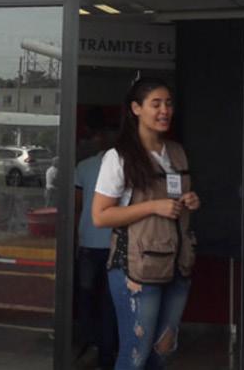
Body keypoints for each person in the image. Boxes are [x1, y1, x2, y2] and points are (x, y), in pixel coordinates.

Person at [92, 78, 200, 370]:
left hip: (177, 264)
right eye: (156, 104)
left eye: (168, 104)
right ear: (136, 109)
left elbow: (176, 199)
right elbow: (100, 216)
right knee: (136, 353)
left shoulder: (176, 152)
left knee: (164, 349)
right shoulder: (119, 157)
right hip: (137, 268)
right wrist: (153, 206)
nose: (165, 110)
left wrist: (190, 200)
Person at [75, 146, 117, 369]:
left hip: (88, 243)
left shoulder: (84, 166)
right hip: (115, 245)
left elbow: (76, 205)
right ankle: (106, 355)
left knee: (86, 298)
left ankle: (88, 344)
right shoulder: (124, 165)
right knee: (109, 303)